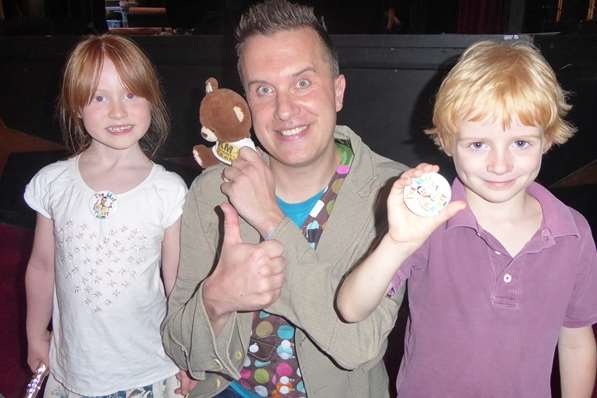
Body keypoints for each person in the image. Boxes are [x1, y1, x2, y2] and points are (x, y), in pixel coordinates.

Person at [161, 0, 408, 397]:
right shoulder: (212, 190)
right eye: (263, 90)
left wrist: (271, 221)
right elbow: (180, 345)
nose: (285, 110)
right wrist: (215, 300)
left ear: (338, 91)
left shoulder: (392, 194)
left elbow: (358, 345)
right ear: (246, 103)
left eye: (303, 83)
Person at [336, 40, 597, 397]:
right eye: (478, 144)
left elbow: (576, 341)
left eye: (520, 143)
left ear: (547, 138)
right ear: (446, 140)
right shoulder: (427, 222)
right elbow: (351, 307)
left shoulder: (574, 235)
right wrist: (397, 242)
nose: (500, 164)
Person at [23, 34, 196, 397]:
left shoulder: (167, 190)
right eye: (99, 98)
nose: (118, 111)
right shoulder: (54, 183)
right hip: (74, 369)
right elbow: (41, 266)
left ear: (152, 99)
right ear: (76, 107)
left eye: (131, 94)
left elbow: (176, 281)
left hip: (146, 367)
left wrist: (186, 353)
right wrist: (35, 333)